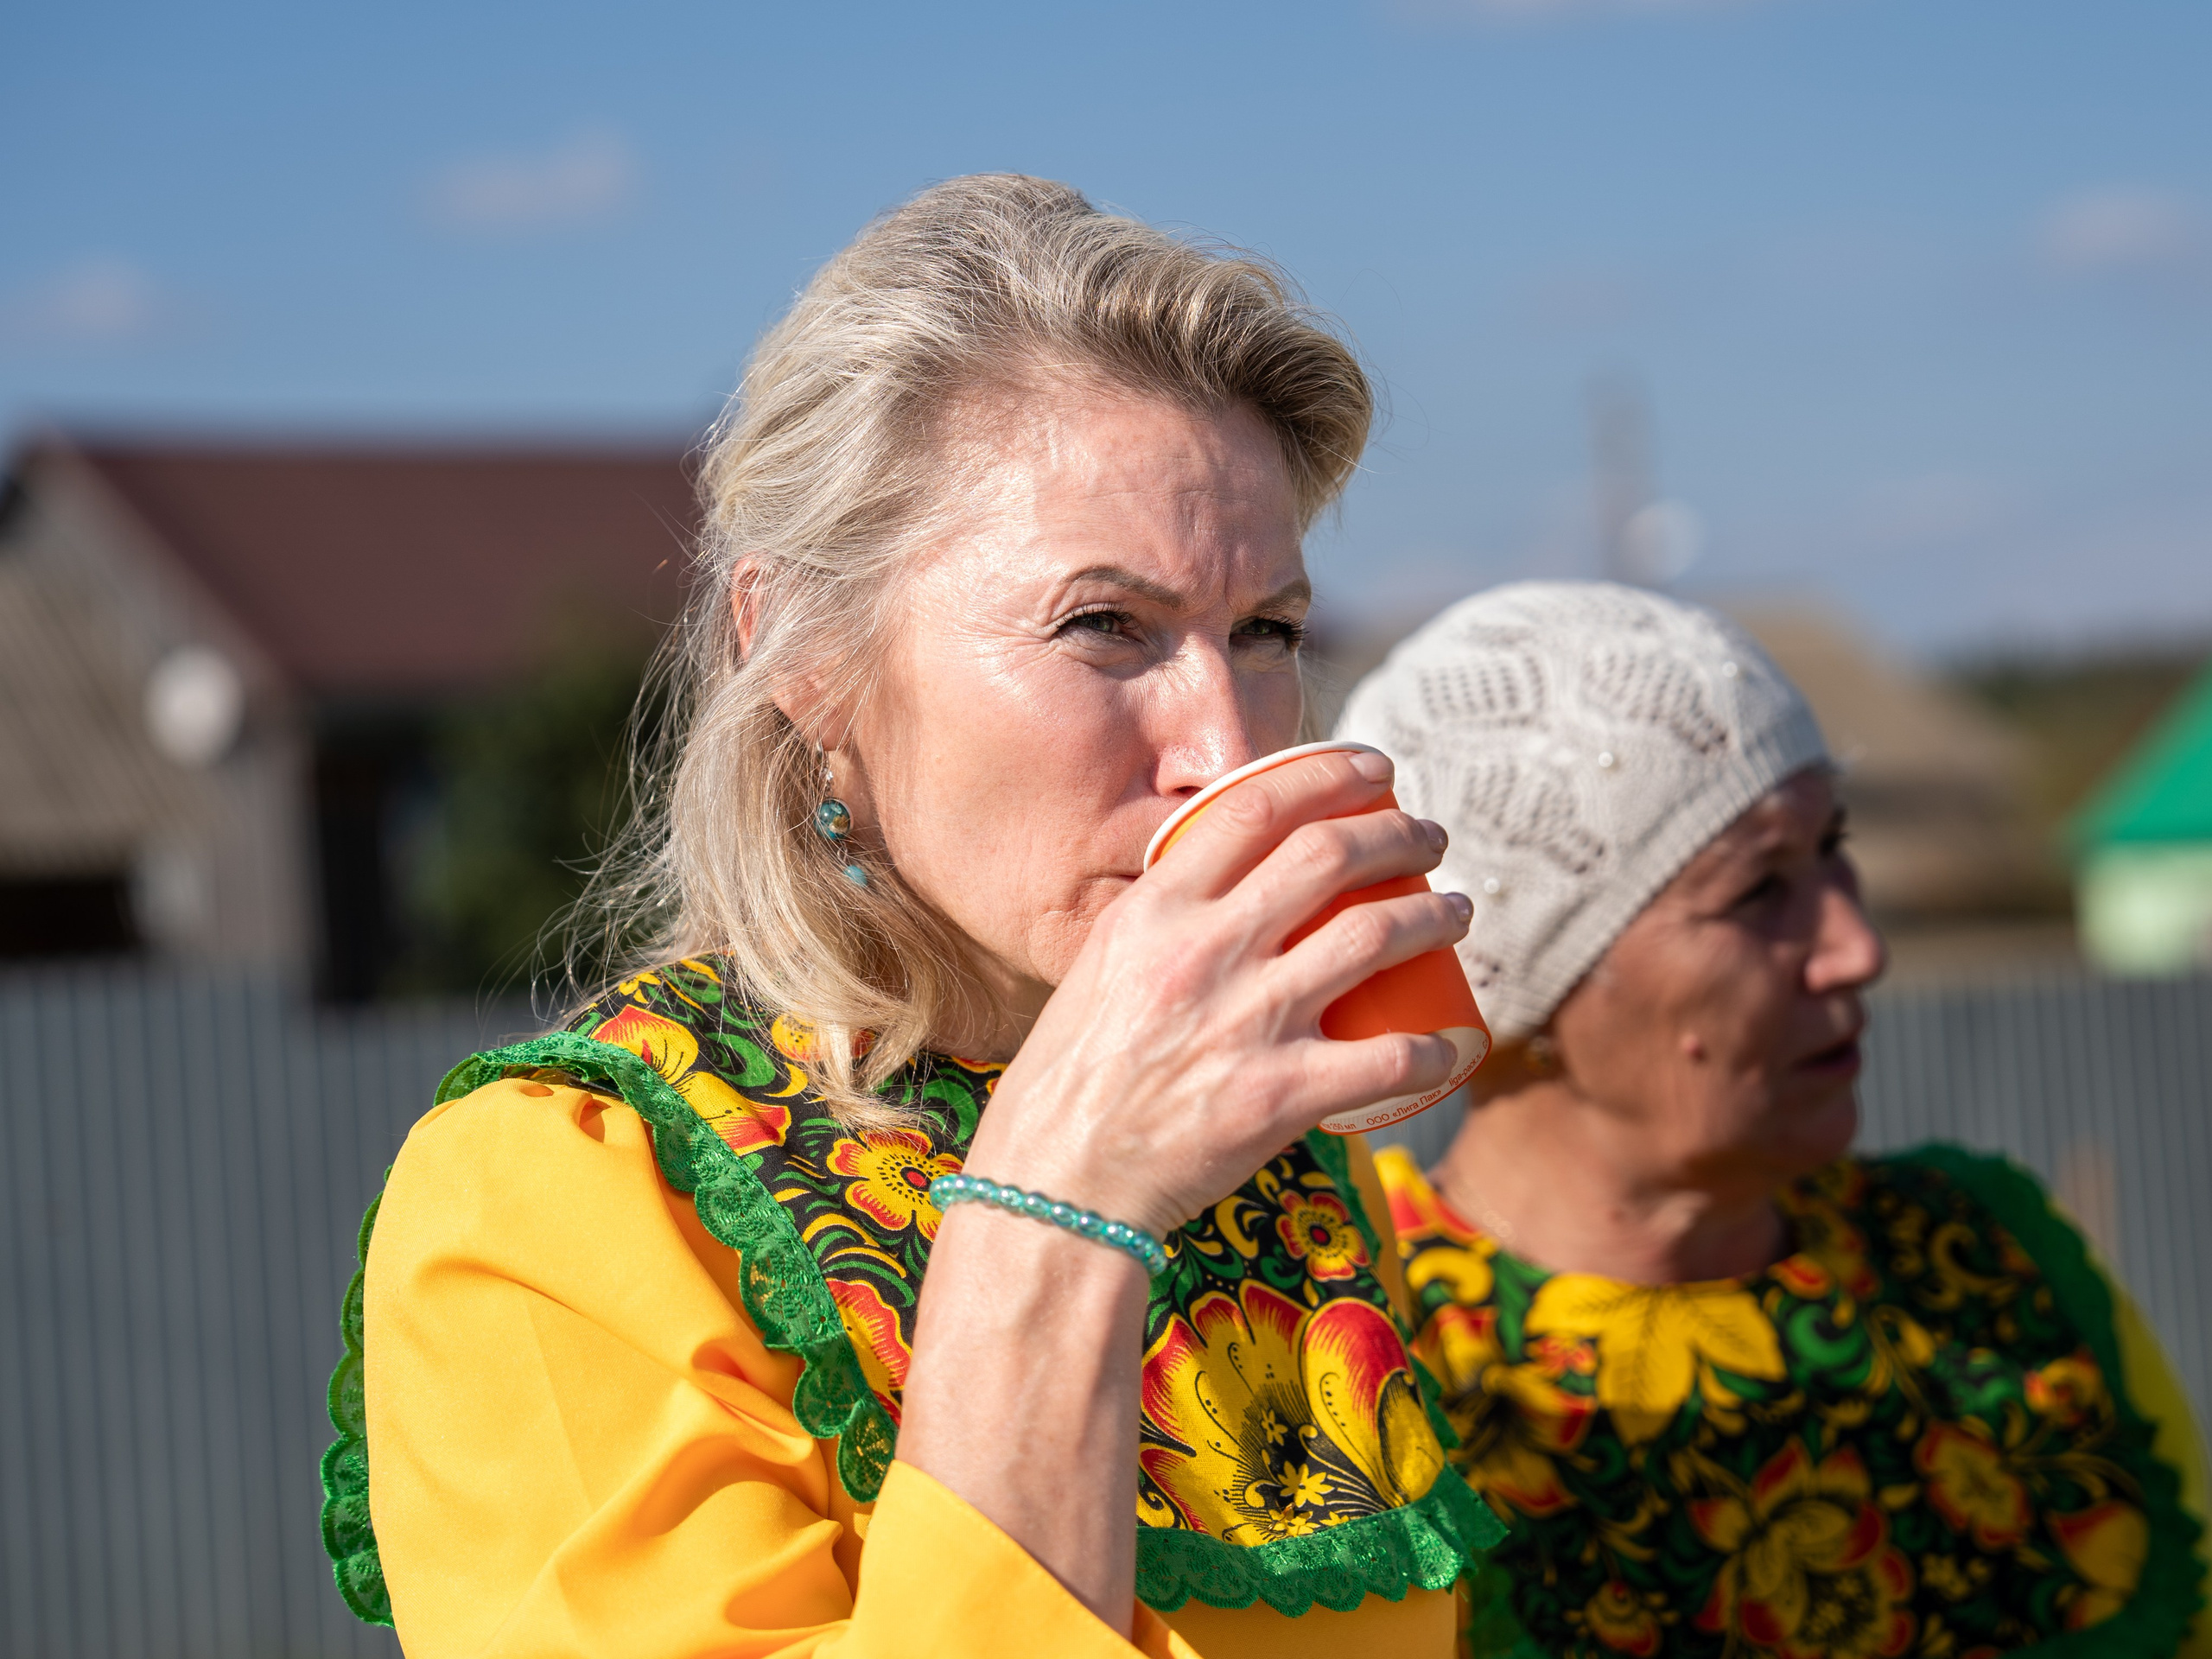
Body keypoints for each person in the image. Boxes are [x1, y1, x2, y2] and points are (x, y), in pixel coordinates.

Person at [318, 175, 1508, 1659]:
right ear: (804, 654)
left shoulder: (1278, 1157)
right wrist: (1057, 1218)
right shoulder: (573, 1193)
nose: (1225, 744)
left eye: (1265, 630)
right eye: (1104, 626)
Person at [1338, 580, 2211, 1657]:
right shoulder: (1358, 1360)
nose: (1855, 946)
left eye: (1832, 850)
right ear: (1521, 983)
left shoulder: (1991, 1271)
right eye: (1758, 893)